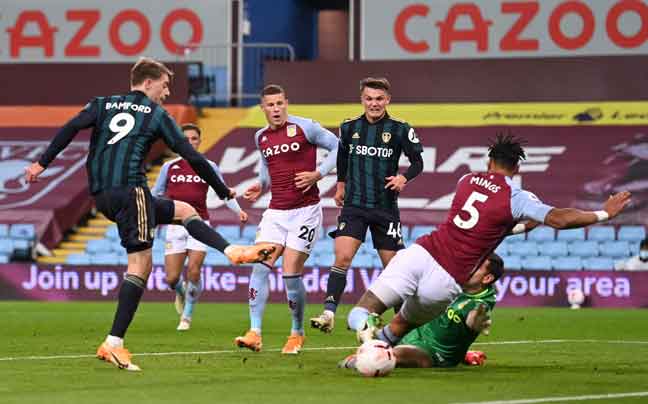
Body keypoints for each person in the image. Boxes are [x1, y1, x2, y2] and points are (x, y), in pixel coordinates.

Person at [24, 57, 275, 371]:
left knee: (184, 210)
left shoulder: (103, 104)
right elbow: (193, 157)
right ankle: (113, 343)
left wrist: (41, 164)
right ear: (148, 83)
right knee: (141, 265)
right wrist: (223, 191)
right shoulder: (157, 115)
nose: (167, 92)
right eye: (165, 85)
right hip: (132, 191)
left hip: (101, 196)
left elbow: (71, 127)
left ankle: (231, 250)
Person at [346, 133, 632, 346]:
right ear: (517, 169)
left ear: (489, 161)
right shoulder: (517, 198)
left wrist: (515, 229)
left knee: (361, 311)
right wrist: (603, 213)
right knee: (398, 327)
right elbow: (559, 218)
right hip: (447, 279)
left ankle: (363, 327)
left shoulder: (466, 181)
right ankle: (375, 353)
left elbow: (478, 225)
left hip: (422, 252)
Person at [310, 77, 424, 333]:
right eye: (369, 99)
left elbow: (418, 162)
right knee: (342, 256)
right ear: (362, 100)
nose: (374, 104)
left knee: (395, 268)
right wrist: (340, 185)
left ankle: (404, 327)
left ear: (388, 100)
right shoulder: (349, 127)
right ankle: (328, 314)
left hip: (385, 207)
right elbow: (342, 156)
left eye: (379, 99)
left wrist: (403, 177)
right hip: (354, 205)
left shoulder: (400, 129)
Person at [234, 84, 339, 354]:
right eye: (270, 105)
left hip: (306, 211)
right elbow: (268, 167)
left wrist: (319, 174)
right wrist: (260, 184)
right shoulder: (261, 137)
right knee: (260, 265)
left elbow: (339, 146)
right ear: (263, 108)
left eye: (280, 103)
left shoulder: (306, 127)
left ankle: (297, 332)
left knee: (290, 272)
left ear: (286, 103)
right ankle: (254, 332)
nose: (276, 109)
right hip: (276, 212)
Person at [152, 123, 249, 331]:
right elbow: (155, 194)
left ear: (199, 141)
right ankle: (180, 291)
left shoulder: (208, 166)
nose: (190, 143)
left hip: (199, 223)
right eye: (185, 139)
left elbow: (223, 191)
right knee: (171, 278)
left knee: (194, 271)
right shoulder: (169, 167)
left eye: (194, 139)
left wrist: (238, 210)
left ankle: (186, 317)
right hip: (175, 225)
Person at [339, 253, 503, 370]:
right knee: (370, 331)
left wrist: (476, 322)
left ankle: (365, 361)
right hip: (412, 332)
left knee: (390, 356)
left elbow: (474, 319)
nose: (469, 266)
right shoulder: (453, 279)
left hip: (434, 352)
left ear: (486, 278)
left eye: (476, 266)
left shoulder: (480, 303)